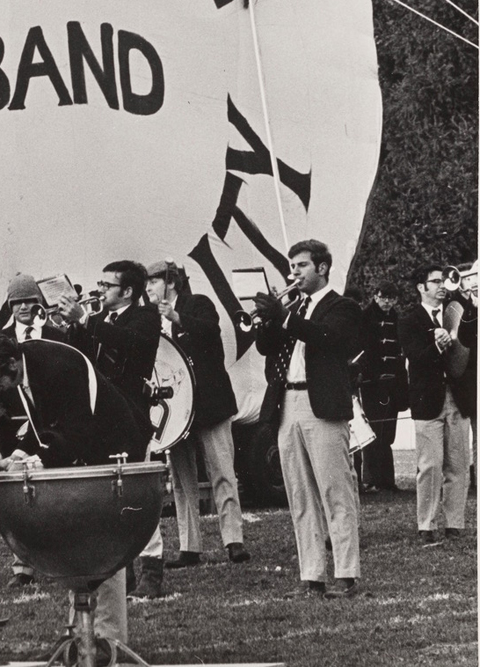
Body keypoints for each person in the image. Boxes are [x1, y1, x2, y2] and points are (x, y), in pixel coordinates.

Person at [0, 331, 149, 652]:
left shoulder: (57, 366)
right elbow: (42, 427)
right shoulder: (27, 367)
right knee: (78, 541)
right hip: (88, 443)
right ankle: (80, 631)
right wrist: (15, 457)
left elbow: (75, 433)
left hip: (114, 445)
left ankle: (108, 639)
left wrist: (35, 462)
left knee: (103, 544)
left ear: (11, 363)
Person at [253, 239, 362, 599]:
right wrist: (268, 319)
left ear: (323, 268)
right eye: (292, 267)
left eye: (300, 266)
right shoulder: (294, 306)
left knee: (336, 491)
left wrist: (284, 316)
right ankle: (312, 576)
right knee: (299, 495)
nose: (293, 273)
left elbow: (328, 338)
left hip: (324, 405)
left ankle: (347, 574)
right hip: (287, 401)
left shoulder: (341, 306)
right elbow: (266, 347)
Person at [56, 260, 163, 598]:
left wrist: (85, 321)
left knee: (137, 495)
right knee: (108, 498)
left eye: (106, 285)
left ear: (128, 291)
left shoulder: (146, 317)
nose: (98, 290)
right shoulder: (99, 319)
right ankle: (122, 570)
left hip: (131, 418)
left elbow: (129, 343)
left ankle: (153, 567)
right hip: (100, 420)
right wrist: (72, 330)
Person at [145, 261, 249, 567]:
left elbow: (208, 330)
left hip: (209, 404)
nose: (148, 289)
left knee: (222, 473)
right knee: (181, 479)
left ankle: (234, 540)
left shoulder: (198, 303)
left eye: (153, 282)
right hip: (176, 410)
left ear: (171, 283)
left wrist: (175, 317)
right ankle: (190, 547)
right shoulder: (149, 318)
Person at [0, 273, 65, 588]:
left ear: (39, 303)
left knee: (56, 492)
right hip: (12, 429)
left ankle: (61, 559)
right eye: (17, 301)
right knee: (18, 500)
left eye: (29, 300)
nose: (24, 307)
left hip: (52, 427)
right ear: (10, 305)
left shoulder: (56, 335)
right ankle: (21, 567)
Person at [397, 264, 473, 544]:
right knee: (429, 467)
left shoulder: (457, 310)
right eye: (436, 281)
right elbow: (415, 356)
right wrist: (437, 344)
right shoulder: (409, 320)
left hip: (457, 398)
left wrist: (468, 299)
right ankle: (426, 524)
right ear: (421, 287)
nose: (443, 285)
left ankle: (454, 523)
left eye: (444, 281)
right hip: (427, 400)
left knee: (458, 464)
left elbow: (471, 335)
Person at [358, 282, 408, 492]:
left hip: (393, 383)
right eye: (383, 297)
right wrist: (371, 374)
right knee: (373, 431)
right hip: (373, 383)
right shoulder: (365, 318)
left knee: (388, 432)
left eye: (391, 298)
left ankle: (387, 480)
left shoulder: (397, 318)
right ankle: (371, 479)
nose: (387, 301)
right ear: (376, 296)